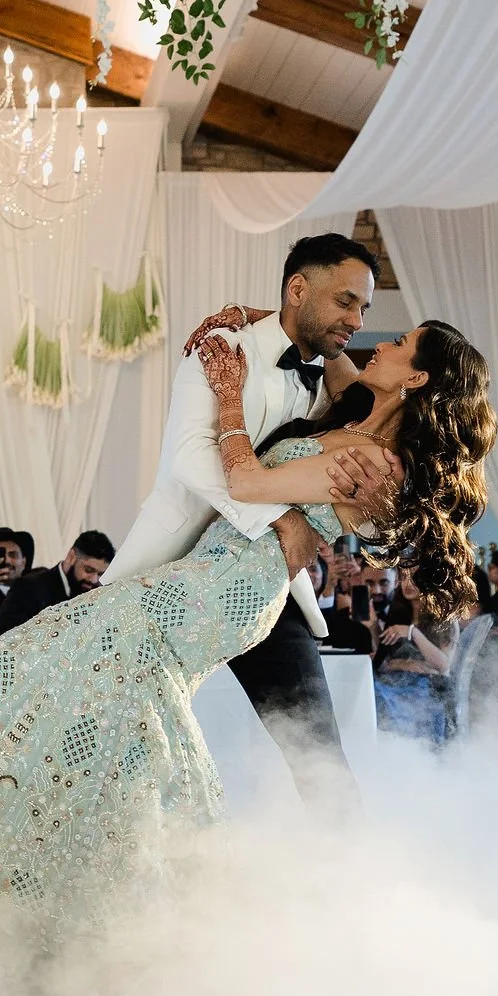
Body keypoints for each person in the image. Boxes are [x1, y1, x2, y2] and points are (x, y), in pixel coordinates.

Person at [0, 317, 494, 970]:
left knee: (69, 645)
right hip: (210, 576)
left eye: (401, 342)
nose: (380, 340)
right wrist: (253, 312)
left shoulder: (375, 464)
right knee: (97, 706)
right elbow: (319, 338)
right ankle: (99, 918)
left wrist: (225, 395)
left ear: (417, 379)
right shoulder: (356, 415)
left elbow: (246, 481)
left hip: (226, 590)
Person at [103, 233, 395, 789]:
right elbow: (189, 457)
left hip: (266, 586)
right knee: (129, 753)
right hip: (170, 570)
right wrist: (279, 519)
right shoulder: (222, 345)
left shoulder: (333, 377)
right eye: (345, 302)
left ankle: (344, 869)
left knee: (319, 755)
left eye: (363, 307)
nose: (357, 320)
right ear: (298, 288)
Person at [371, 570, 460, 745]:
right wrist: (373, 626)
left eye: (414, 578)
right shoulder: (398, 615)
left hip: (429, 692)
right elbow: (384, 662)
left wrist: (413, 632)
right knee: (367, 690)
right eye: (403, 578)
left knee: (375, 696)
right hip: (398, 685)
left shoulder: (446, 618)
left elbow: (443, 666)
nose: (407, 584)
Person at [0, 531, 116, 638]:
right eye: (88, 570)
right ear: (71, 557)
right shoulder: (28, 587)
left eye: (100, 574)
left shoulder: (99, 594)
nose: (93, 580)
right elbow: (1, 639)